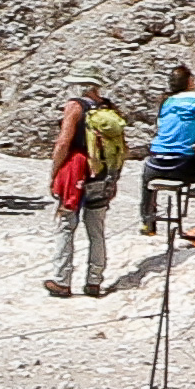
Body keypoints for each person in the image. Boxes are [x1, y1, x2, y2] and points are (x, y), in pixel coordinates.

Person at [43, 81, 127, 295]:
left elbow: (63, 142)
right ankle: (94, 280)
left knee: (66, 226)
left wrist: (54, 173)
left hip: (76, 174)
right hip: (101, 174)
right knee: (96, 229)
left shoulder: (75, 106)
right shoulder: (108, 108)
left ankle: (61, 280)